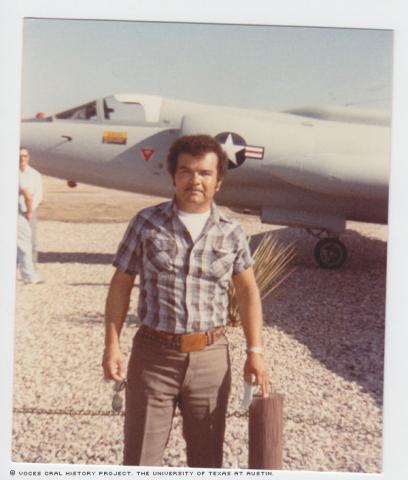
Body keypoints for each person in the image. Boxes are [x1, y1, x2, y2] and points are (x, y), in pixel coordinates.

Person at [102, 134, 269, 467]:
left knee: (207, 461)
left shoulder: (231, 231)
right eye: (186, 171)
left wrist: (256, 352)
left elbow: (248, 292)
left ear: (218, 181)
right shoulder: (146, 223)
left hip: (210, 360)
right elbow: (121, 283)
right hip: (153, 358)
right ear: (174, 176)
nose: (195, 180)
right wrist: (112, 346)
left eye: (205, 173)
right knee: (140, 461)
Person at [17, 147, 43, 283]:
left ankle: (32, 270)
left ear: (29, 157)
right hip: (18, 212)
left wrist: (30, 210)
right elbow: (27, 194)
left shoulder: (35, 174)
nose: (22, 159)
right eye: (20, 156)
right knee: (22, 243)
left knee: (31, 242)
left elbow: (37, 194)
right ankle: (25, 274)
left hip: (29, 211)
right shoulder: (15, 173)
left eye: (24, 156)